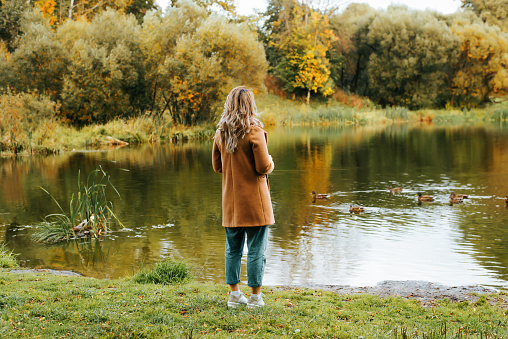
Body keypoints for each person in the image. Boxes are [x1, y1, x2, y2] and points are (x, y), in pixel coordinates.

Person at [212, 86, 275, 308]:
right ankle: (256, 297)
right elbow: (263, 167)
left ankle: (235, 295)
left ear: (229, 105)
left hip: (231, 203)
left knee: (233, 249)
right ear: (250, 105)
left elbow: (217, 167)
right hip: (255, 202)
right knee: (257, 249)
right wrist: (272, 162)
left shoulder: (221, 133)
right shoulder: (254, 132)